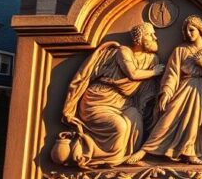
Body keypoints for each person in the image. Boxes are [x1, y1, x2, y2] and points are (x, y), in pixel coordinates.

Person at [127, 15, 202, 165]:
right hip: (184, 89)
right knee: (169, 116)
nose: (189, 33)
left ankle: (191, 152)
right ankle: (145, 149)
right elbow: (172, 74)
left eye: (192, 29)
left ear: (200, 30)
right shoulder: (180, 50)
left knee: (201, 122)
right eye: (187, 30)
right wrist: (166, 93)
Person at [53, 23, 164, 168]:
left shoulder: (151, 60)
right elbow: (133, 73)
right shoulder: (123, 51)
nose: (155, 37)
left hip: (122, 101)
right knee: (120, 126)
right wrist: (154, 72)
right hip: (98, 99)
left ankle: (128, 158)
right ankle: (99, 157)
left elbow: (146, 89)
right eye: (150, 34)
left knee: (135, 116)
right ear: (140, 38)